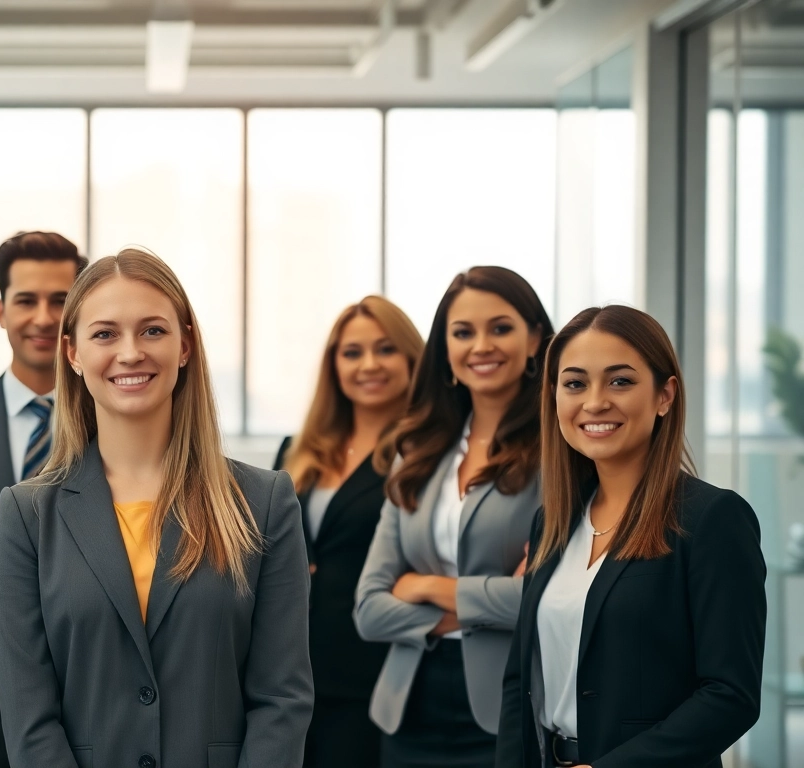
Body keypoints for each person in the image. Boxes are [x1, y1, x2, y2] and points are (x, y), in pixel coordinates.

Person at [0, 248, 314, 767]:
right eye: (105, 334)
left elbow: (282, 700)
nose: (131, 352)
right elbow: (29, 716)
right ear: (72, 354)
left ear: (185, 344)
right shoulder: (27, 516)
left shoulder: (263, 503)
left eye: (153, 331)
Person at [496, 305, 766, 768]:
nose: (595, 401)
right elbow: (520, 681)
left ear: (665, 395)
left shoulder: (712, 519)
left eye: (620, 381)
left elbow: (730, 695)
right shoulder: (553, 521)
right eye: (575, 383)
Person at [355, 266, 553, 768]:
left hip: (510, 706)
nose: (481, 345)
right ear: (445, 350)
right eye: (463, 332)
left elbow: (543, 601)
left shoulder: (560, 457)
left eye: (500, 328)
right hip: (408, 708)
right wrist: (492, 602)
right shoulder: (417, 453)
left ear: (534, 340)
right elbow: (369, 611)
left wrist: (425, 586)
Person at [274, 296, 424, 768]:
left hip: (370, 670)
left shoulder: (425, 455)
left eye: (385, 349)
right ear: (334, 365)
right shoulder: (297, 452)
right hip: (291, 669)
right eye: (352, 352)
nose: (369, 365)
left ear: (411, 359)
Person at [0, 231, 87, 768]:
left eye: (60, 301)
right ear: (0, 310)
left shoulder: (116, 427)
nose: (43, 317)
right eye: (26, 300)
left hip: (88, 683)